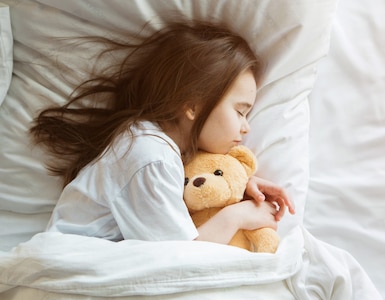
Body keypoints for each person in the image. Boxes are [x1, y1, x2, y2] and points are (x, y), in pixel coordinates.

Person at [29, 20, 295, 244]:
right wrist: (238, 215)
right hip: (71, 266)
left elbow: (186, 180)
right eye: (239, 111)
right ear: (193, 105)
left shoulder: (152, 145)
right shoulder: (150, 156)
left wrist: (238, 184)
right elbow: (180, 257)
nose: (245, 126)